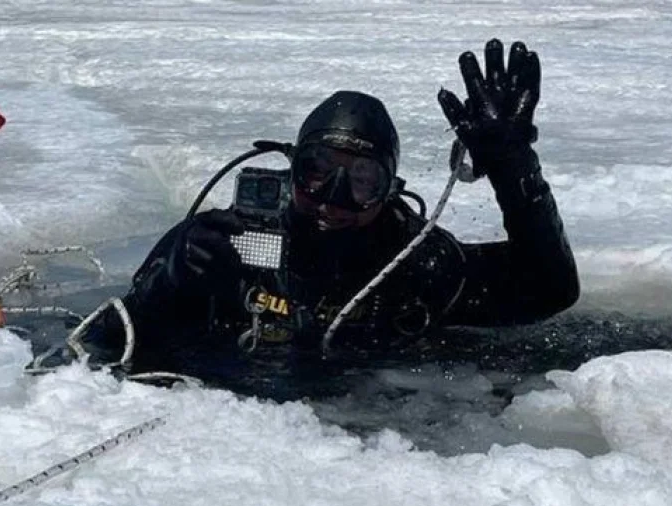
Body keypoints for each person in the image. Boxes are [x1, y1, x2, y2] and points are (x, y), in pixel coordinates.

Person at [81, 39, 579, 386]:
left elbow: (548, 291)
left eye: (362, 180)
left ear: (388, 189)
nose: (333, 198)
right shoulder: (221, 244)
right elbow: (104, 340)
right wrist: (169, 284)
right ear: (292, 168)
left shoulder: (414, 262)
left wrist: (513, 167)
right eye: (317, 171)